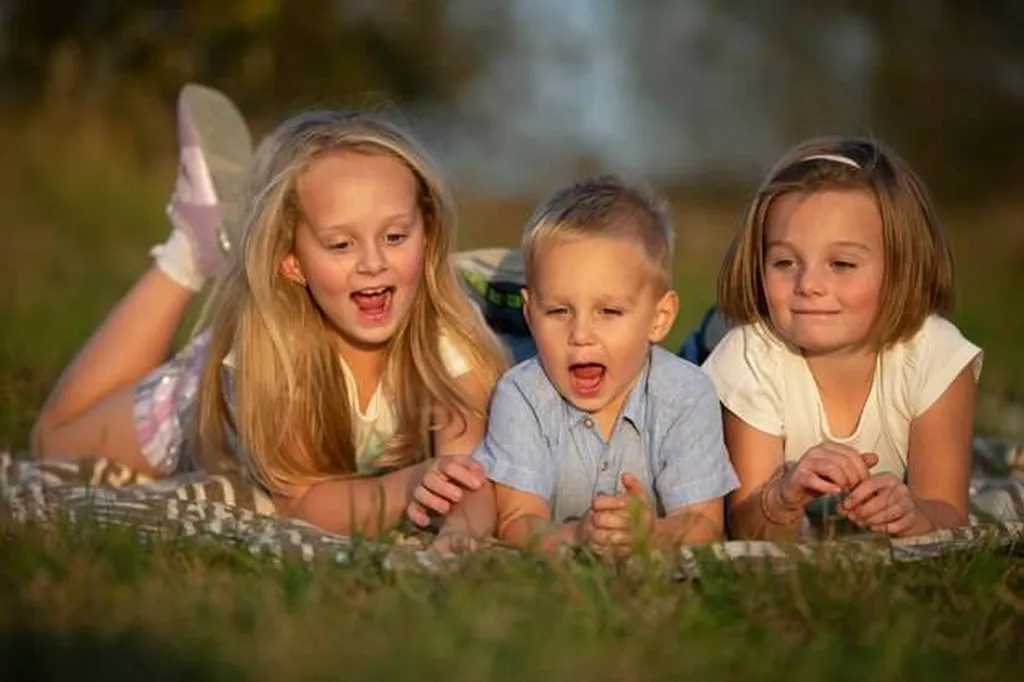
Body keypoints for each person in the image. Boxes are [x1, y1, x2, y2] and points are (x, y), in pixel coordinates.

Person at [31, 84, 507, 535]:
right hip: (201, 401)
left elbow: (465, 472)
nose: (373, 262)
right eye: (341, 243)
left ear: (427, 233)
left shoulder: (447, 331)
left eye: (396, 237)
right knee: (53, 442)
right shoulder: (276, 355)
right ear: (292, 262)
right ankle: (194, 245)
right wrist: (404, 488)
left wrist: (458, 526)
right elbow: (301, 501)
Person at [419, 175, 739, 556]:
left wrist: (652, 533)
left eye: (609, 311)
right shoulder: (521, 392)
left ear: (659, 317)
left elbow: (704, 521)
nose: (581, 334)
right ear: (531, 313)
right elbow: (517, 520)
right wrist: (577, 536)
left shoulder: (686, 393)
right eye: (558, 310)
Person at [703, 136, 981, 540]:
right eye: (784, 262)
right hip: (718, 352)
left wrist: (915, 513)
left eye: (842, 264)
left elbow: (949, 511)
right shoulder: (749, 356)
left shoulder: (935, 354)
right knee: (708, 351)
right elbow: (748, 526)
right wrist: (781, 497)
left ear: (901, 267)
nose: (809, 284)